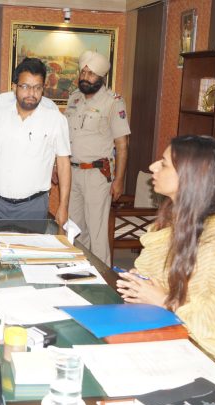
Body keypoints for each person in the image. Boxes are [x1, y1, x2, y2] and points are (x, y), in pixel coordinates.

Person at [116, 135, 215, 386]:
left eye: (164, 163)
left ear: (189, 176)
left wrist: (165, 301)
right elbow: (154, 274)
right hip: (170, 332)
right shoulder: (175, 219)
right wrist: (141, 283)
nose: (153, 167)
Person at [0, 57, 71, 224]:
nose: (31, 93)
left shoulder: (56, 119)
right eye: (25, 86)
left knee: (30, 243)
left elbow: (63, 165)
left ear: (43, 89)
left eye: (37, 87)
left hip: (33, 207)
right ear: (14, 87)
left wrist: (63, 206)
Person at [65, 51, 130, 265]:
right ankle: (78, 271)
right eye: (83, 72)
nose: (85, 77)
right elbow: (66, 137)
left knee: (97, 231)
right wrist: (58, 167)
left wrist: (119, 180)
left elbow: (122, 145)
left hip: (97, 174)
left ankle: (103, 277)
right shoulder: (74, 98)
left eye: (91, 74)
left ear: (101, 77)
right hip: (72, 172)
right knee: (74, 229)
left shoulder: (113, 102)